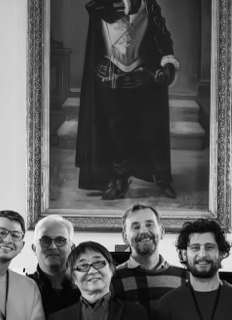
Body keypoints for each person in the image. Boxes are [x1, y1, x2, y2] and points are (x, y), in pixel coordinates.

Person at [76, 0, 180, 200]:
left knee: (152, 126)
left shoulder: (148, 5)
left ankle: (162, 178)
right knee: (115, 129)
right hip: (111, 73)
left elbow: (162, 35)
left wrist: (167, 61)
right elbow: (99, 17)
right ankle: (119, 180)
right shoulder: (102, 6)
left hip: (142, 72)